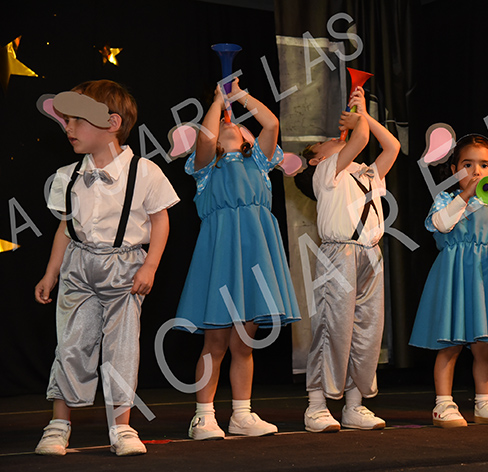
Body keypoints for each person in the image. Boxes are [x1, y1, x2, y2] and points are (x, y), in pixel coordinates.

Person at [34, 80, 180, 456]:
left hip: (125, 268)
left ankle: (122, 427)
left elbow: (160, 221)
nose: (68, 128)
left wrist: (150, 266)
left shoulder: (145, 171)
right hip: (78, 267)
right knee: (71, 344)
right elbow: (66, 228)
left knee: (122, 347)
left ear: (112, 123)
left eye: (77, 120)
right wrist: (51, 271)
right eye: (66, 120)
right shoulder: (67, 175)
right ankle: (59, 423)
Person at [175, 77, 300, 440]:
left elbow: (271, 123)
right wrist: (218, 101)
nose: (232, 124)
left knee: (244, 344)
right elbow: (205, 140)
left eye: (238, 125)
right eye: (223, 123)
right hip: (220, 254)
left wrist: (240, 95)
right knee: (214, 343)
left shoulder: (259, 160)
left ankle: (242, 415)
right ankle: (203, 417)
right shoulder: (205, 166)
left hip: (255, 252)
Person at [409, 134, 488, 428]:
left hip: (487, 277)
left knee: (484, 344)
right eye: (468, 165)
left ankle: (484, 402)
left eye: (484, 165)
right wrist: (465, 195)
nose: (476, 171)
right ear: (455, 169)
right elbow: (441, 224)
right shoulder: (447, 200)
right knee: (450, 342)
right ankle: (443, 404)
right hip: (455, 276)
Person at [294, 87, 400, 433]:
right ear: (315, 159)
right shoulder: (326, 172)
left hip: (371, 255)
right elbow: (361, 139)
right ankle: (316, 406)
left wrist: (363, 115)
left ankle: (354, 405)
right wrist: (359, 118)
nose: (334, 139)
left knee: (366, 329)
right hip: (338, 254)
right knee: (332, 327)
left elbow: (392, 146)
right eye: (326, 141)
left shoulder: (367, 174)